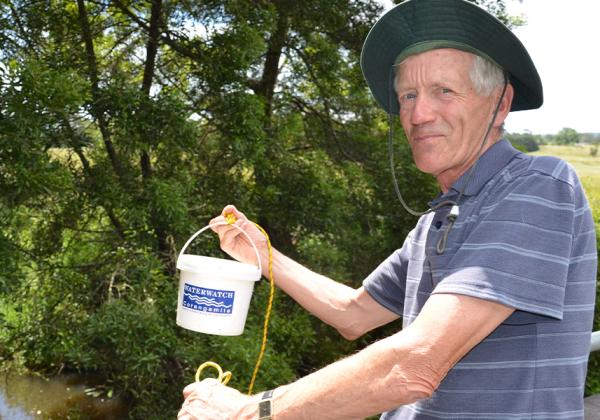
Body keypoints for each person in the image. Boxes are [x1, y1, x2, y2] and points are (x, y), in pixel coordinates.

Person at [178, 0, 598, 418]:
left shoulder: (538, 187)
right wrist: (260, 254)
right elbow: (352, 313)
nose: (418, 113)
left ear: (500, 103)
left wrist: (250, 413)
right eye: (408, 95)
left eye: (443, 91)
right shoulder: (435, 221)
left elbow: (417, 364)